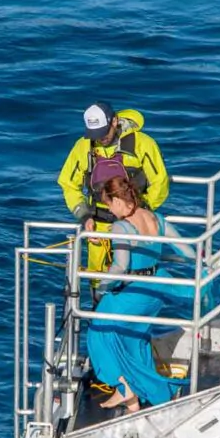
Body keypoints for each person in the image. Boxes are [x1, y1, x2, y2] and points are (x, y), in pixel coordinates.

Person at [86, 176, 195, 412]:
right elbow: (188, 251)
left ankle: (124, 387)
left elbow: (120, 266)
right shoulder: (157, 218)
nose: (110, 211)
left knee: (98, 331)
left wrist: (101, 287)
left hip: (134, 288)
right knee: (135, 333)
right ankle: (130, 395)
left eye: (109, 204)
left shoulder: (121, 226)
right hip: (156, 287)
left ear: (117, 200)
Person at [57, 102, 170, 296]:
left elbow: (160, 182)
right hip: (98, 228)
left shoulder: (143, 144)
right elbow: (68, 184)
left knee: (134, 279)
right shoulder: (83, 147)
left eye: (103, 132)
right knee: (98, 283)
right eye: (95, 135)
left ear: (114, 121)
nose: (100, 139)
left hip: (133, 226)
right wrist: (84, 216)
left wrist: (139, 212)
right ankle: (97, 314)